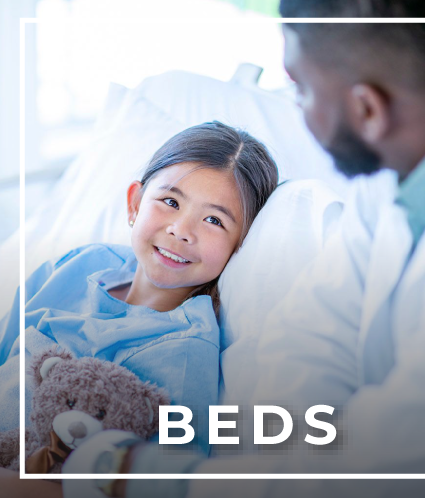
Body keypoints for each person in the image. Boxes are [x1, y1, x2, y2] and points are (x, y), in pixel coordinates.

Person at [7, 0, 425, 497]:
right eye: (170, 201)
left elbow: (397, 470)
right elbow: (313, 340)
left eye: (301, 90)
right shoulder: (393, 183)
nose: (181, 229)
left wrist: (120, 468)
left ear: (367, 108)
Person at [0, 121, 278, 456]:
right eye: (171, 201)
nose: (181, 230)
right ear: (135, 203)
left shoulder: (184, 350)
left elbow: (147, 482)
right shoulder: (77, 264)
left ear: (239, 247)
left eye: (214, 221)